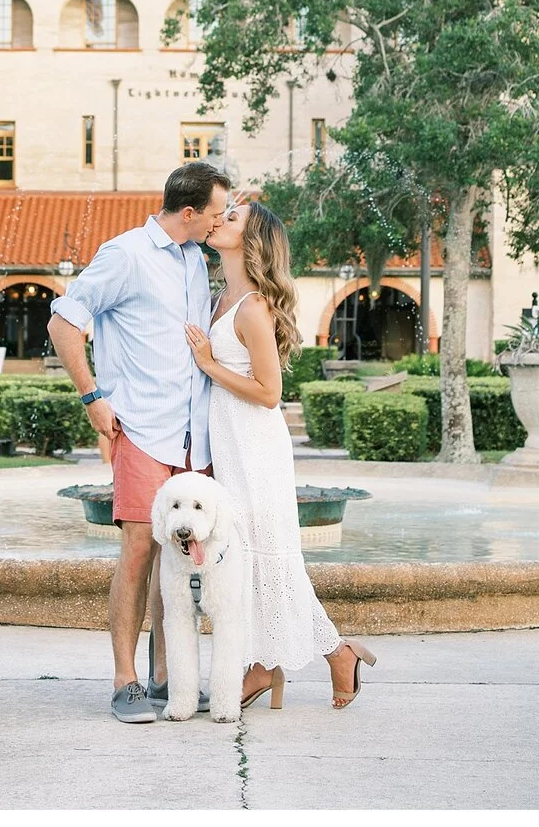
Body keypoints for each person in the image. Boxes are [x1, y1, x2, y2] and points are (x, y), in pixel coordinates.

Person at [49, 160, 228, 724]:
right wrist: (92, 396)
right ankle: (125, 682)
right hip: (143, 430)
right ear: (190, 211)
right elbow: (63, 321)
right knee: (136, 553)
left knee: (178, 562)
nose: (220, 223)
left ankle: (166, 678)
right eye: (216, 213)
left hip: (192, 437)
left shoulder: (199, 260)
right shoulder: (124, 254)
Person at [183, 196, 377, 711]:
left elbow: (269, 392)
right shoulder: (221, 297)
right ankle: (305, 659)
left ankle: (294, 662)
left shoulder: (252, 308)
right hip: (229, 442)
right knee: (249, 558)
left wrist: (207, 362)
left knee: (268, 559)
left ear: (252, 242)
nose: (219, 219)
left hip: (255, 444)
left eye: (232, 218)